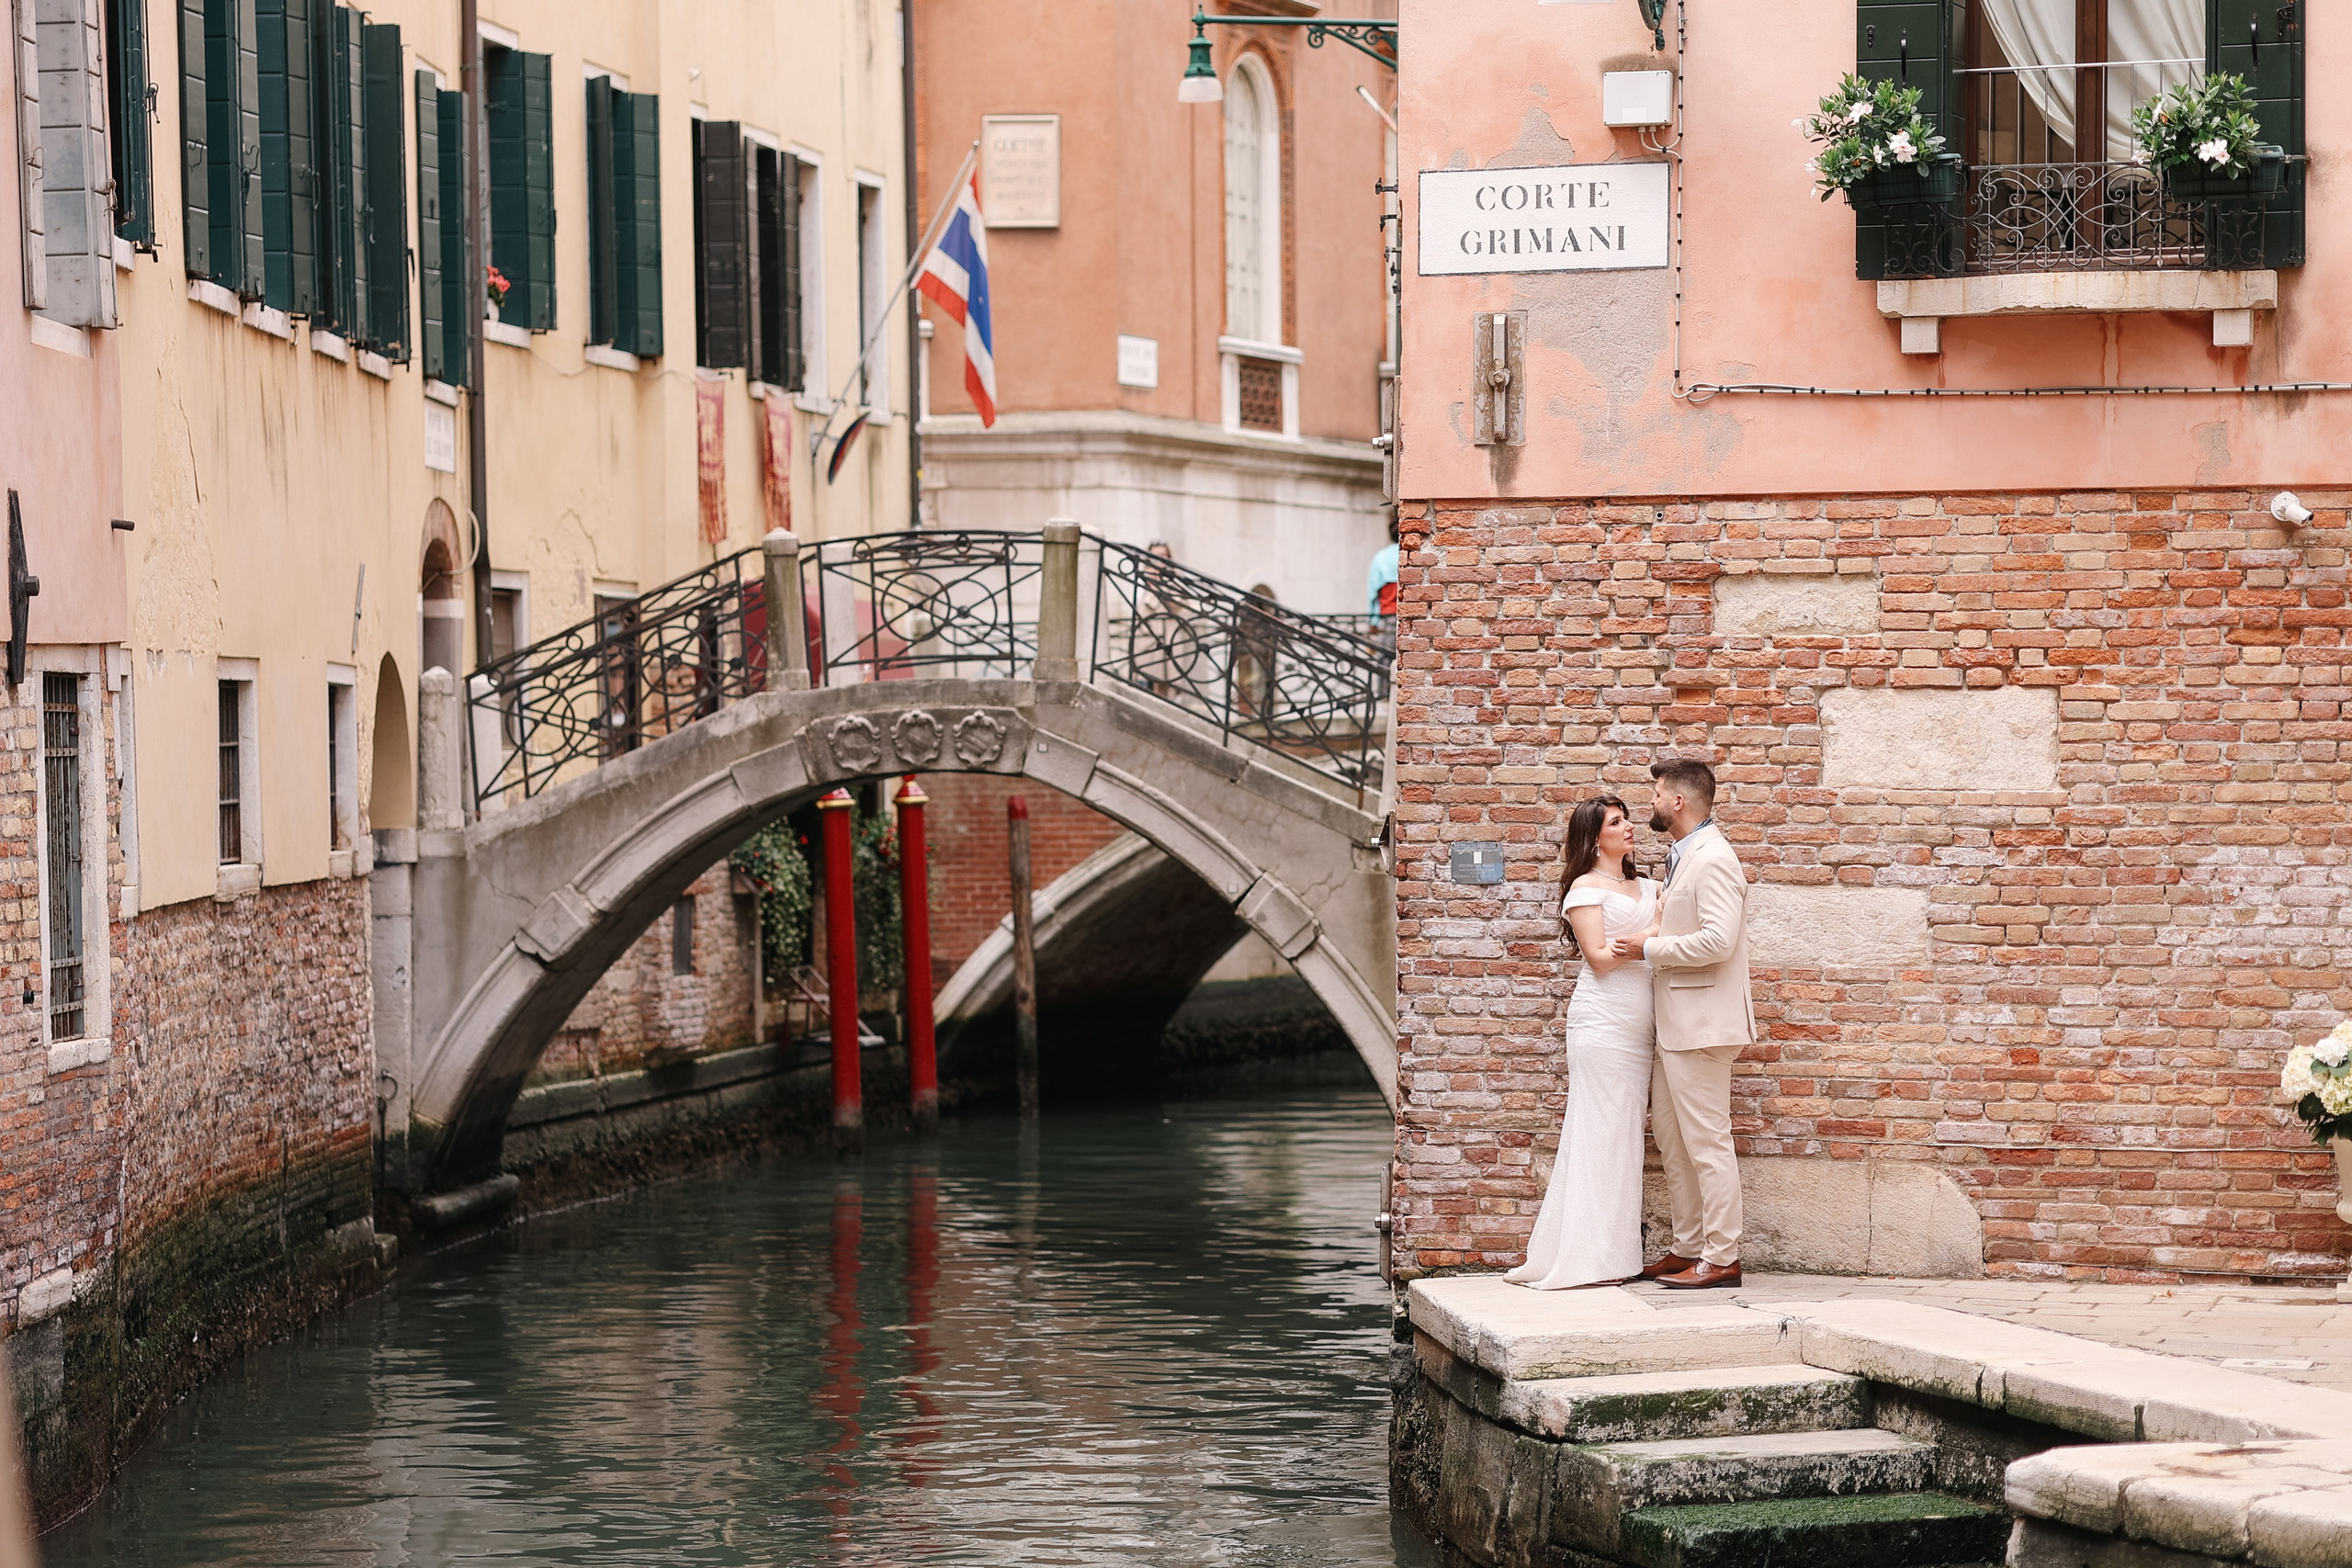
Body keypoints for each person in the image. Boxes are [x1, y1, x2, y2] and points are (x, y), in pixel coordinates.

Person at [1506, 794, 1658, 1291]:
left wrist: (1645, 938)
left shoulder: (1650, 885)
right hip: (1602, 1021)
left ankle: (1613, 1256)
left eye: (1627, 818)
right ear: (1594, 839)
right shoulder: (1584, 889)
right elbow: (1599, 958)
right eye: (1616, 822)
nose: (1629, 826)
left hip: (1641, 1023)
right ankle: (1587, 1260)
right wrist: (1653, 935)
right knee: (1598, 1132)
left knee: (1626, 1136)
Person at [1614, 757, 1755, 1291]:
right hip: (1676, 1026)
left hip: (1701, 1026)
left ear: (1678, 801)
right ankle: (1689, 1246)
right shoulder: (1685, 855)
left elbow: (1718, 940)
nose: (1650, 803)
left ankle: (1723, 1256)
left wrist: (1649, 949)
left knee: (1707, 1144)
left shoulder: (1714, 858)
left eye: (1656, 794)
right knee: (1674, 1144)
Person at [1366, 513, 1400, 635]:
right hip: (1409, 616)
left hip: (1387, 616)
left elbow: (1373, 594)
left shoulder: (1380, 557)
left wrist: (1372, 621)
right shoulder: (1411, 555)